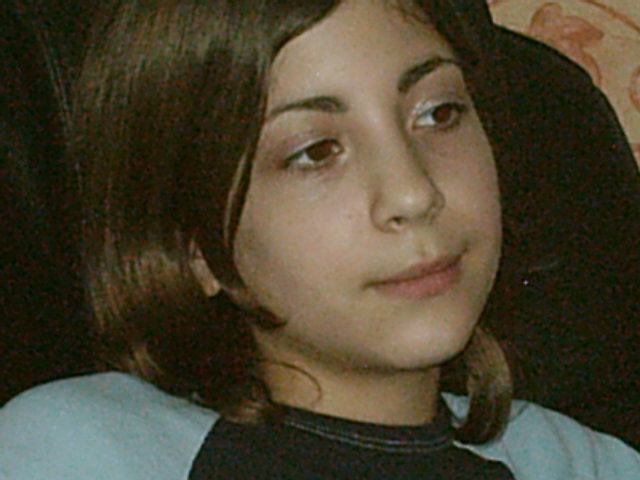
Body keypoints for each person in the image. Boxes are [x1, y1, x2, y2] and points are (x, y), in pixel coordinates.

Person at [0, 0, 638, 478]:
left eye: (439, 113)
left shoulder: (587, 465)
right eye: (315, 151)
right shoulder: (80, 452)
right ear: (194, 244)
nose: (413, 193)